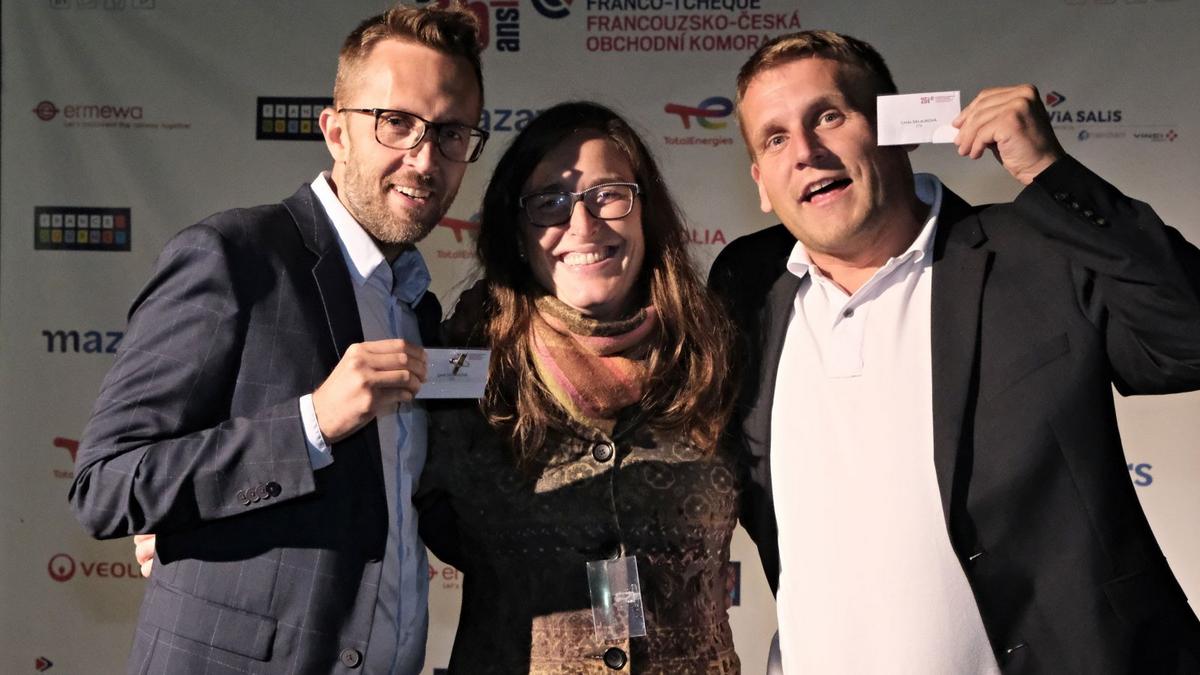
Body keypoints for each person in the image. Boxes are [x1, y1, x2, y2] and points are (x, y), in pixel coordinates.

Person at [709, 30, 1200, 674]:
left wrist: (1049, 173)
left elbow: (1187, 340)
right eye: (774, 139)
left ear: (896, 128)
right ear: (760, 182)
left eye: (829, 116)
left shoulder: (1034, 251)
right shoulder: (746, 286)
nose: (805, 151)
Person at [68, 4, 487, 673]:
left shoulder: (418, 305)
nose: (425, 158)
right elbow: (106, 484)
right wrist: (310, 423)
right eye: (396, 122)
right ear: (336, 132)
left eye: (451, 132)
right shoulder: (236, 256)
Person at [415, 101, 741, 673]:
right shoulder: (463, 365)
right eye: (550, 203)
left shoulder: (717, 356)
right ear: (517, 232)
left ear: (646, 212)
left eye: (608, 195)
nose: (583, 226)